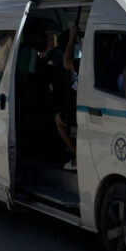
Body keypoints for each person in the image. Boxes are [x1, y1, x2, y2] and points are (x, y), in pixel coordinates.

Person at [54, 26, 81, 170]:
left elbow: (66, 63)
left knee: (58, 119)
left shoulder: (85, 61)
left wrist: (71, 37)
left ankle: (77, 153)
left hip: (80, 106)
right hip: (82, 103)